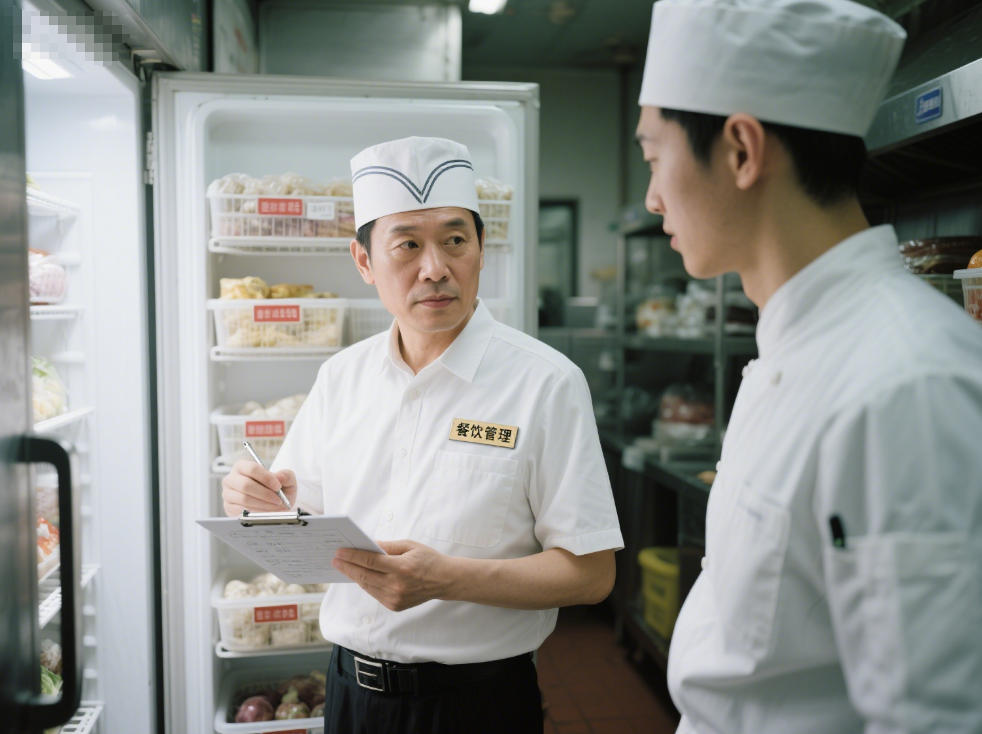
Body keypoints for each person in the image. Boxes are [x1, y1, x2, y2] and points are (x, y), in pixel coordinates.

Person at [634, 1, 982, 732]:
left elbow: (930, 718)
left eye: (653, 157)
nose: (652, 197)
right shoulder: (793, 350)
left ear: (740, 151)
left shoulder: (904, 384)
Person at [221, 136, 623, 734]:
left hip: (479, 705)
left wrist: (448, 578)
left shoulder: (546, 383)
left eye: (455, 240)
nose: (435, 268)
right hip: (351, 697)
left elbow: (592, 575)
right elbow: (302, 521)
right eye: (407, 244)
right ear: (364, 262)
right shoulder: (342, 378)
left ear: (482, 249)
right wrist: (258, 504)